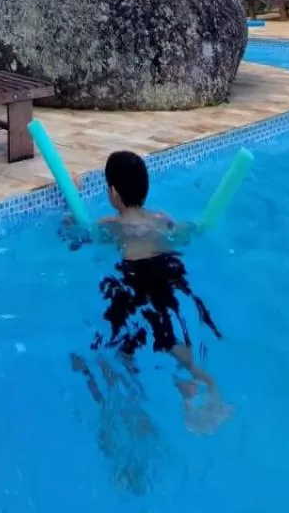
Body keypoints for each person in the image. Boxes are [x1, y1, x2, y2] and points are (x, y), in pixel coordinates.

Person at [71, 149, 230, 484]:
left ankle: (130, 421)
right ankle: (204, 393)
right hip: (166, 277)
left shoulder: (111, 226)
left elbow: (79, 237)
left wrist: (70, 216)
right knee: (173, 342)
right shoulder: (161, 219)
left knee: (119, 355)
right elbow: (187, 232)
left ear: (112, 192)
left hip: (131, 284)